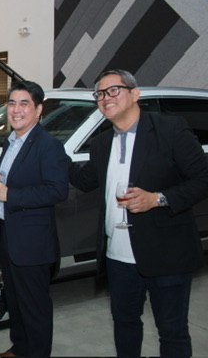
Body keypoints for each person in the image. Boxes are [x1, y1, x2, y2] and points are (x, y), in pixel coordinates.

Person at [69, 69, 208, 358]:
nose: (105, 98)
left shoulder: (169, 129)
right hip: (118, 257)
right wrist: (49, 151)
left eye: (113, 90)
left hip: (166, 253)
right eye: (100, 93)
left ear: (135, 94)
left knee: (172, 331)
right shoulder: (102, 143)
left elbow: (203, 179)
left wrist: (158, 199)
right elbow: (85, 180)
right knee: (125, 325)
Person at [0, 81, 70, 358]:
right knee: (16, 301)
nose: (16, 109)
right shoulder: (11, 142)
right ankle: (19, 349)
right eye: (11, 103)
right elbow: (1, 187)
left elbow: (57, 190)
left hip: (32, 242)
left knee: (35, 308)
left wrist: (10, 195)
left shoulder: (49, 145)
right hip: (8, 235)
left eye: (24, 103)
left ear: (38, 109)